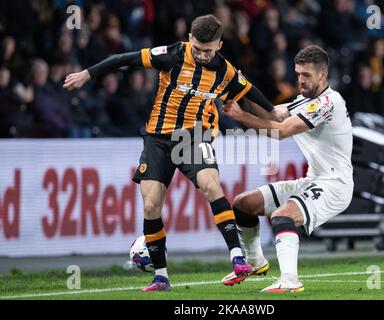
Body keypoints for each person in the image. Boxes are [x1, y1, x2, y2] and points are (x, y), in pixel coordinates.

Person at [63, 14, 284, 292]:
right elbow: (124, 58)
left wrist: (275, 113)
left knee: (211, 186)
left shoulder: (225, 71)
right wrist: (88, 73)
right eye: (198, 48)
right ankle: (161, 277)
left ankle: (237, 258)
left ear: (219, 45)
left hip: (193, 136)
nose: (202, 55)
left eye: (208, 50)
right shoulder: (172, 55)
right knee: (152, 204)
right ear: (190, 39)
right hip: (157, 138)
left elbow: (252, 93)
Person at [221, 45, 354, 292]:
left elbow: (280, 132)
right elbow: (272, 114)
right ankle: (255, 262)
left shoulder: (327, 102)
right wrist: (242, 87)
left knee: (283, 216)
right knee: (243, 204)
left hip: (335, 185)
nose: (301, 80)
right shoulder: (305, 101)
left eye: (307, 75)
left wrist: (241, 117)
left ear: (323, 74)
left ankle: (290, 281)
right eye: (298, 74)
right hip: (314, 180)